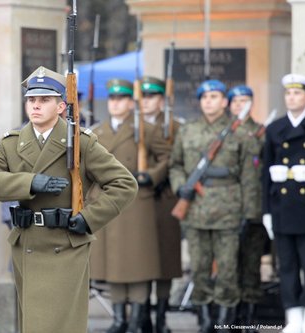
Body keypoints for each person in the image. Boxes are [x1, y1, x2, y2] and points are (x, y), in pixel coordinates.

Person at [0, 66, 138, 333]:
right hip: (27, 242)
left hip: (66, 243)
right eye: (31, 100)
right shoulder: (12, 143)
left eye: (44, 100)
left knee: (58, 324)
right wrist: (28, 182)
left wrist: (88, 218)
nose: (35, 106)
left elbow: (124, 184)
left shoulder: (82, 142)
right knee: (32, 324)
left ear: (61, 106)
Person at [169, 79, 258, 332]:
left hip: (229, 211)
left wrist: (249, 213)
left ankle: (224, 323)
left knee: (228, 271)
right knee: (199, 269)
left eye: (215, 97)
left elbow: (249, 177)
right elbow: (175, 164)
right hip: (195, 210)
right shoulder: (188, 131)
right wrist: (180, 187)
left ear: (225, 102)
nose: (209, 101)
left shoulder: (239, 132)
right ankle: (206, 322)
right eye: (205, 97)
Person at [89, 78, 171, 333]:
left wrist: (151, 176)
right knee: (115, 264)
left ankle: (136, 319)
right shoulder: (97, 132)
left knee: (138, 264)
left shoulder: (144, 129)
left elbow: (166, 156)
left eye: (122, 99)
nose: (115, 104)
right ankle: (119, 319)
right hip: (109, 202)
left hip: (137, 203)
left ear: (130, 103)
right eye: (112, 99)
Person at [262, 73, 305, 333]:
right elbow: (264, 175)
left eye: (297, 93)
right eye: (288, 93)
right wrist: (266, 212)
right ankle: (293, 316)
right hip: (282, 207)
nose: (292, 97)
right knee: (288, 266)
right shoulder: (274, 129)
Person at [140, 76, 183, 333]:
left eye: (152, 97)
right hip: (139, 201)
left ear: (162, 100)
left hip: (166, 199)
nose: (147, 102)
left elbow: (179, 160)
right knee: (140, 260)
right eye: (143, 97)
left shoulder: (176, 127)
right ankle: (141, 314)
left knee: (165, 261)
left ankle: (162, 317)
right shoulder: (131, 127)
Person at [227, 85, 268, 331]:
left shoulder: (262, 133)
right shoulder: (223, 133)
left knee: (251, 265)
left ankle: (249, 318)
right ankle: (229, 318)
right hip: (226, 210)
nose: (240, 105)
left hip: (254, 210)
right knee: (228, 266)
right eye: (236, 101)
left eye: (245, 100)